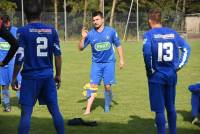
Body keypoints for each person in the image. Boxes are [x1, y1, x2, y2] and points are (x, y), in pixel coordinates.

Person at [11, 1, 64, 134]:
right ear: (41, 13)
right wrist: (58, 75)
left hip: (29, 78)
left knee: (26, 114)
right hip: (47, 77)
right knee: (55, 111)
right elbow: (58, 55)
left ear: (25, 14)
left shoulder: (22, 31)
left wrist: (13, 77)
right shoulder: (51, 30)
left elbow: (19, 56)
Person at [143, 9, 190, 134]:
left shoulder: (149, 35)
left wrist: (150, 70)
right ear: (160, 20)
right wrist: (178, 66)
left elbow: (147, 53)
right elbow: (186, 49)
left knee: (159, 110)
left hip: (156, 76)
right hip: (171, 75)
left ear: (149, 21)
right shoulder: (173, 33)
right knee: (171, 107)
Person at [79, 11, 124, 115]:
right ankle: (88, 110)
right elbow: (81, 48)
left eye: (97, 19)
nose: (95, 22)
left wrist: (121, 59)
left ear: (103, 20)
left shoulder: (111, 32)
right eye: (93, 20)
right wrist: (82, 37)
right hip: (96, 64)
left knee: (107, 86)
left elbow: (118, 45)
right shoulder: (90, 34)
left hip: (109, 63)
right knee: (92, 86)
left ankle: (107, 105)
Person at [0, 15, 21, 112]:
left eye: (6, 25)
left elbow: (20, 46)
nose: (5, 27)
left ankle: (22, 102)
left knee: (18, 83)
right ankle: (7, 105)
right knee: (4, 85)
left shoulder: (16, 31)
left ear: (9, 22)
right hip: (2, 65)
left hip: (13, 63)